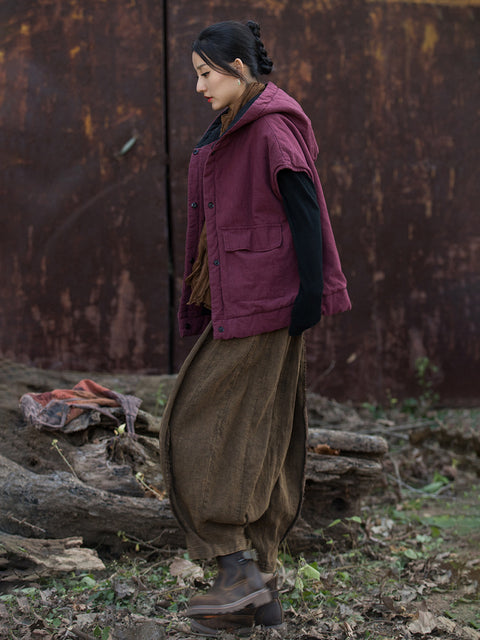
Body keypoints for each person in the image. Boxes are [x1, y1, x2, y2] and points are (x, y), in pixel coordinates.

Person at [160, 19, 351, 637]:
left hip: (268, 304)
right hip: (247, 303)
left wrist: (311, 296)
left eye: (207, 73)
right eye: (195, 73)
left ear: (241, 69)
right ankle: (257, 585)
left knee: (194, 422)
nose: (199, 86)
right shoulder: (236, 128)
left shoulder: (269, 129)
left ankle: (237, 568)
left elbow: (305, 208)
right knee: (261, 431)